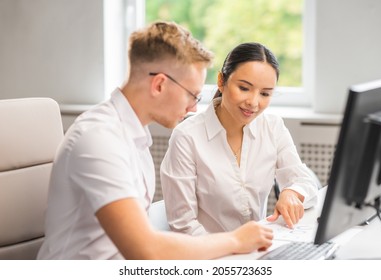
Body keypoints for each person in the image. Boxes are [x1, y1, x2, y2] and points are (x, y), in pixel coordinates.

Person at [37, 22, 273, 260]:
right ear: (159, 84)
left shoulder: (133, 137)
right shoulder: (98, 139)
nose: (194, 107)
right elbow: (145, 249)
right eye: (192, 95)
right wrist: (235, 240)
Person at [160, 42, 319, 236]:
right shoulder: (187, 136)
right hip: (210, 255)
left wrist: (292, 193)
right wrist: (234, 247)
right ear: (221, 81)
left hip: (256, 249)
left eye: (265, 93)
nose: (253, 102)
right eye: (244, 88)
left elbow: (306, 181)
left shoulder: (272, 126)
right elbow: (183, 226)